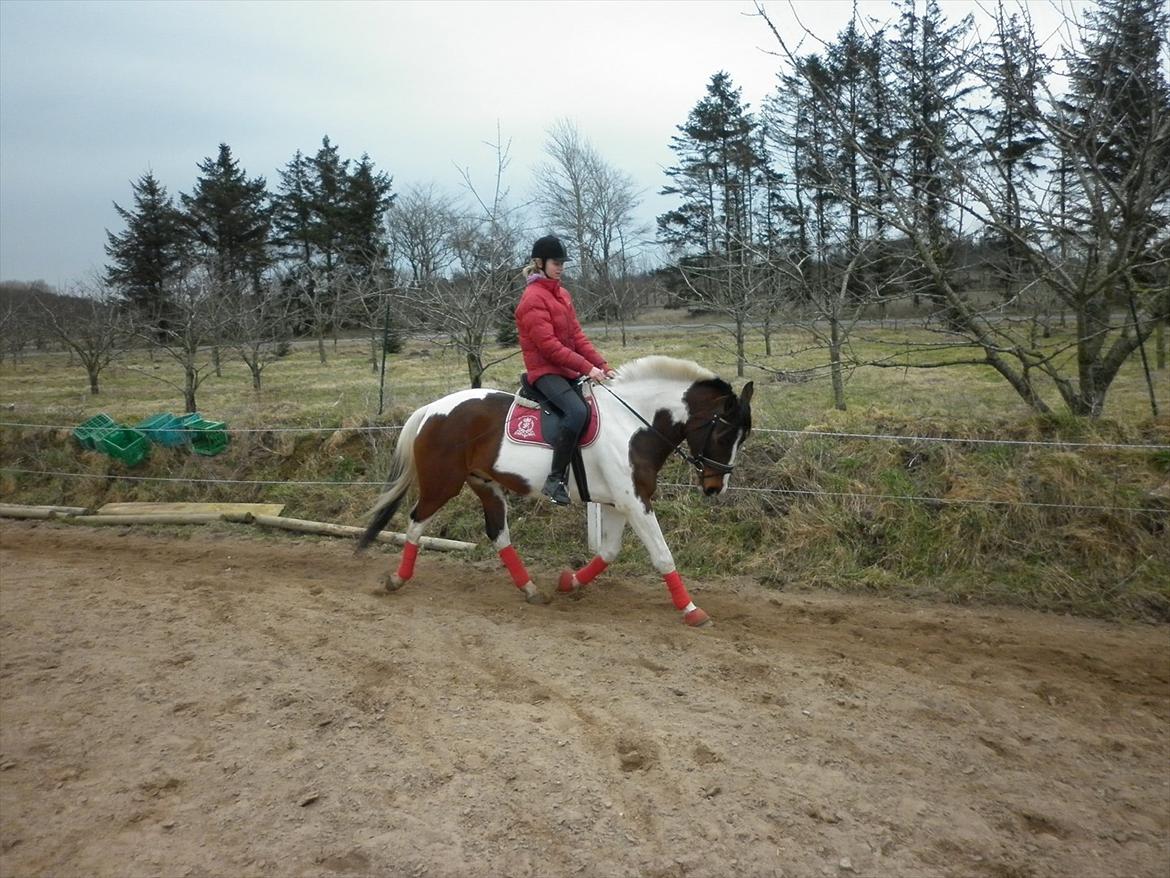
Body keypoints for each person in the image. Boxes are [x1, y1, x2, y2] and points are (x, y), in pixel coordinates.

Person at [515, 235, 616, 505]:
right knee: (577, 411)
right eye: (555, 262)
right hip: (545, 371)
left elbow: (577, 337)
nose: (560, 267)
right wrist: (587, 367)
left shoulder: (561, 294)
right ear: (540, 263)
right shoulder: (532, 299)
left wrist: (602, 364)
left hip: (566, 370)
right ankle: (555, 479)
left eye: (562, 263)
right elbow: (549, 347)